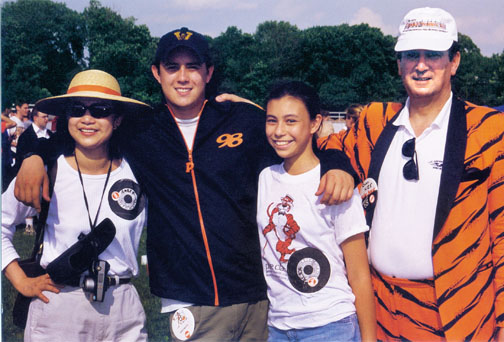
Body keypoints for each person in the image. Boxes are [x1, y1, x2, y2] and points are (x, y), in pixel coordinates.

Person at [14, 27, 356, 341]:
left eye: (192, 66)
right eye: (172, 66)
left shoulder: (243, 120)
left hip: (258, 297)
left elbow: (299, 144)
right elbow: (86, 131)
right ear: (156, 73)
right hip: (189, 301)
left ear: (208, 73)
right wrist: (33, 154)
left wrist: (338, 164)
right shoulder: (141, 129)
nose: (182, 77)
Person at [319, 7, 504, 341]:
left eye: (433, 54)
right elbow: (327, 144)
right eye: (410, 55)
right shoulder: (374, 121)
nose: (421, 65)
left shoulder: (489, 129)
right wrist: (336, 165)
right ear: (399, 63)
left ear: (454, 62)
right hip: (380, 310)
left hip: (457, 312)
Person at [2, 69, 150, 341]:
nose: (87, 119)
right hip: (59, 306)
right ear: (66, 118)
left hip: (123, 307)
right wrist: (19, 279)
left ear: (116, 120)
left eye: (100, 110)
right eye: (77, 109)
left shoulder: (139, 173)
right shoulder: (46, 171)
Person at [257, 81, 375, 342]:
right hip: (278, 327)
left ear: (314, 123)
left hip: (330, 325)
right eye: (272, 120)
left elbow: (358, 272)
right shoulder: (265, 177)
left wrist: (369, 338)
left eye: (291, 121)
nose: (279, 131)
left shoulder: (336, 184)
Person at [16, 108, 53, 235]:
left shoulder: (50, 135)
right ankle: (29, 225)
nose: (46, 119)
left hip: (49, 174)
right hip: (32, 175)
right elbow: (22, 157)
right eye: (44, 116)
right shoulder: (26, 136)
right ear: (35, 118)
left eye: (47, 116)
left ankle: (45, 224)